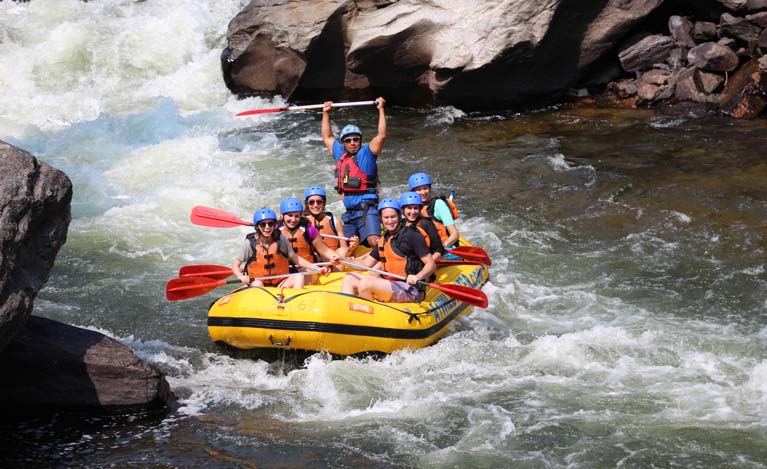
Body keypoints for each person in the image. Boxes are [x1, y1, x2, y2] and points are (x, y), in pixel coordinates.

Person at [342, 198, 436, 303]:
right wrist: (342, 260)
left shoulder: (411, 235)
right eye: (386, 217)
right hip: (390, 284)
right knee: (349, 278)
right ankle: (347, 313)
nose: (390, 221)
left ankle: (372, 315)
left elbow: (431, 264)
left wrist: (419, 276)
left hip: (410, 289)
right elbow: (366, 263)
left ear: (399, 216)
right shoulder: (384, 239)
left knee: (365, 284)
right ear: (381, 219)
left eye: (393, 217)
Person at [322, 97, 387, 248]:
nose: (352, 143)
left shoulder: (367, 154)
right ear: (343, 143)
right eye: (348, 140)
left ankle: (386, 257)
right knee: (341, 245)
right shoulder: (340, 154)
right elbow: (327, 137)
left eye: (356, 139)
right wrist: (326, 113)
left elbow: (381, 136)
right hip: (349, 213)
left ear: (360, 141)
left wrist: (381, 109)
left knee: (373, 242)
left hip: (367, 210)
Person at [231, 207, 330, 289]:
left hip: (279, 283)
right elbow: (236, 265)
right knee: (258, 284)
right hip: (258, 283)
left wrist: (316, 268)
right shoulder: (249, 243)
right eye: (263, 224)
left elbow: (295, 259)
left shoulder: (281, 240)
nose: (267, 227)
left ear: (274, 225)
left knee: (298, 276)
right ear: (257, 227)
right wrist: (241, 276)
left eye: (270, 224)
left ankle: (296, 305)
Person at [278, 197, 340, 284]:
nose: (293, 220)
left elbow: (324, 250)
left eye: (297, 216)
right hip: (285, 273)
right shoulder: (275, 230)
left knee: (305, 271)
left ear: (301, 215)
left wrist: (336, 257)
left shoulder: (309, 230)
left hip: (308, 269)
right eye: (290, 215)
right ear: (282, 216)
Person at [303, 185, 357, 270]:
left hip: (333, 259)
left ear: (323, 203)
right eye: (311, 202)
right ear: (307, 204)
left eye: (319, 202)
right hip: (315, 260)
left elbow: (343, 247)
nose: (315, 205)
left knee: (342, 251)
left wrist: (351, 248)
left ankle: (336, 273)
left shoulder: (334, 221)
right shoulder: (302, 222)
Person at [408, 172, 460, 253]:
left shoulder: (439, 205)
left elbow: (455, 235)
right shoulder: (414, 208)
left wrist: (441, 248)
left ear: (430, 189)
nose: (423, 192)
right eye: (418, 190)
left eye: (425, 188)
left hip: (447, 249)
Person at [399, 191, 445, 262]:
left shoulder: (426, 224)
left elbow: (439, 249)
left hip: (425, 261)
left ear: (420, 209)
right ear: (403, 209)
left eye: (416, 208)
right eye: (409, 208)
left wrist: (429, 264)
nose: (413, 212)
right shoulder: (400, 224)